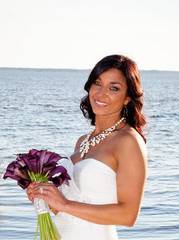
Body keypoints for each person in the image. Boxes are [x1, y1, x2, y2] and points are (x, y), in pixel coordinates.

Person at [27, 54, 148, 240]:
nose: (101, 93)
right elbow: (74, 207)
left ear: (127, 98)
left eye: (114, 88)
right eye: (97, 83)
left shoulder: (128, 141)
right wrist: (46, 198)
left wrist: (64, 204)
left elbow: (128, 215)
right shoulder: (82, 140)